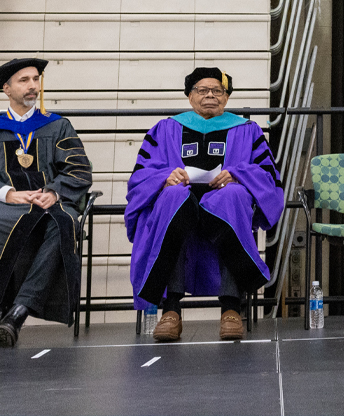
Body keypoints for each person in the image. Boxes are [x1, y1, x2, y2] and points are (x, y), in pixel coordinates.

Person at [126, 68, 283, 342]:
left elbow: (268, 176)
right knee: (174, 201)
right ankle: (170, 311)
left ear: (226, 97)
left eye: (217, 90)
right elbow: (141, 175)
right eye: (202, 90)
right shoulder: (165, 129)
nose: (210, 94)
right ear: (189, 96)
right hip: (180, 203)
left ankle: (231, 309)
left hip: (225, 205)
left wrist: (238, 175)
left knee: (231, 198)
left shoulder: (248, 130)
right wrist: (165, 177)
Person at [0, 58, 91, 346]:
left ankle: (17, 313)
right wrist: (7, 193)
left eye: (35, 79)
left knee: (64, 223)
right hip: (5, 206)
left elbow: (79, 169)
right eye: (23, 80)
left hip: (48, 204)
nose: (32, 86)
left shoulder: (58, 126)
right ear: (6, 88)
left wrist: (53, 191)